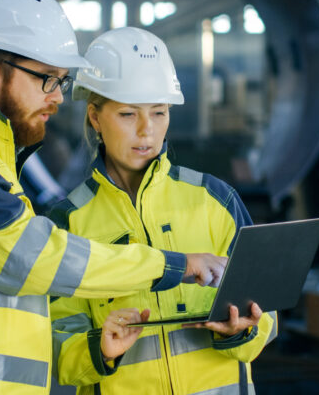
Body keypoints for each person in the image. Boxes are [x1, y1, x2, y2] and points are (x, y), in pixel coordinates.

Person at [0, 0, 227, 395]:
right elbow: (32, 258)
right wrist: (169, 265)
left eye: (61, 81)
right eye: (47, 79)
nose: (58, 97)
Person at [49, 27, 278, 395]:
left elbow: (267, 312)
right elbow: (57, 344)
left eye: (159, 112)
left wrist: (245, 328)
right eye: (127, 114)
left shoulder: (215, 200)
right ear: (94, 117)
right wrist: (100, 350)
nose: (147, 131)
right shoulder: (68, 223)